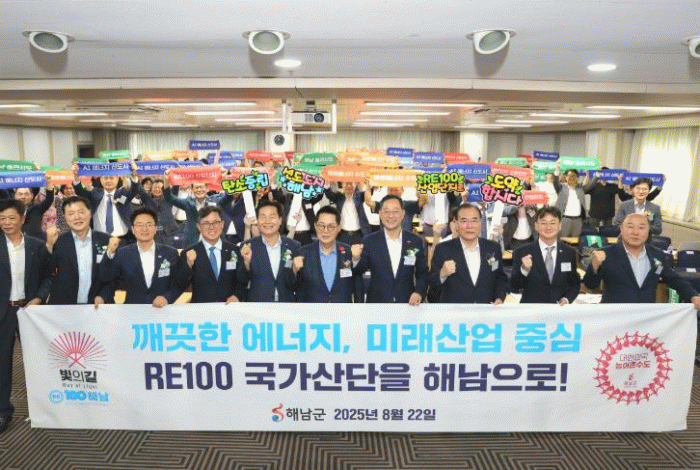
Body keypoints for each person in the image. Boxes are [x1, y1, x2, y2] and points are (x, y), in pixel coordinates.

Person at [0, 199, 52, 434]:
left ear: (22, 219)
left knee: (38, 361)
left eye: (11, 218)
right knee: (3, 363)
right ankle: (3, 411)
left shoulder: (36, 246)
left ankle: (45, 409)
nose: (6, 222)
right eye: (2, 218)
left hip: (30, 311)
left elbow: (49, 276)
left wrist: (39, 297)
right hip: (4, 312)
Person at [584, 213, 700, 307]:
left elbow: (674, 279)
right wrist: (594, 266)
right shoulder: (606, 254)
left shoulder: (657, 255)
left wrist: (693, 296)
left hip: (645, 318)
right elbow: (590, 285)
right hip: (615, 318)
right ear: (621, 229)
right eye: (630, 227)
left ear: (648, 231)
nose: (635, 232)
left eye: (641, 228)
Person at [99, 207, 183, 307]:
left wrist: (166, 298)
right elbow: (107, 278)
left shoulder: (170, 253)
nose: (144, 229)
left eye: (149, 224)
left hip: (162, 310)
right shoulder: (123, 254)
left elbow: (179, 283)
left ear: (155, 228)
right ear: (133, 229)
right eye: (140, 225)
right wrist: (110, 252)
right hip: (132, 310)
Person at [352, 194, 428, 304]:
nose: (390, 216)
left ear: (403, 213)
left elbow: (422, 273)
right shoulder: (370, 241)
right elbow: (360, 269)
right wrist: (355, 259)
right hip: (377, 304)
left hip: (407, 303)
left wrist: (419, 292)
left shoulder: (415, 241)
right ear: (380, 213)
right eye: (386, 211)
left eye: (395, 211)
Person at [429, 203, 508, 304]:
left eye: (474, 221)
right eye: (464, 221)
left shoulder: (493, 248)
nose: (469, 226)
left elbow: (500, 278)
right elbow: (430, 282)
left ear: (480, 223)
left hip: (485, 310)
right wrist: (442, 274)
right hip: (454, 311)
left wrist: (499, 297)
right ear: (456, 224)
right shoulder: (443, 249)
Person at [45, 196, 115, 305]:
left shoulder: (106, 241)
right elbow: (46, 273)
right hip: (64, 306)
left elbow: (114, 276)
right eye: (71, 214)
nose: (77, 217)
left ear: (90, 213)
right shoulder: (58, 241)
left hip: (97, 306)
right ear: (65, 217)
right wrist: (49, 246)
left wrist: (103, 296)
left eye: (81, 212)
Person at [510, 207, 581, 304]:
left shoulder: (569, 252)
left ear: (560, 226)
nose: (548, 227)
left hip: (559, 310)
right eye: (543, 223)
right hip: (531, 309)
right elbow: (514, 286)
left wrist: (566, 299)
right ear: (536, 225)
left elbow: (574, 284)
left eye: (552, 223)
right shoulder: (522, 252)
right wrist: (524, 270)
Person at [175, 206, 246, 303]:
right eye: (206, 223)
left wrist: (237, 296)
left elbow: (242, 281)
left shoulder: (234, 250)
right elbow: (179, 285)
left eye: (215, 222)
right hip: (201, 309)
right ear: (199, 227)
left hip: (229, 308)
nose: (211, 227)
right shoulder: (188, 253)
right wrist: (188, 265)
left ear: (222, 224)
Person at [238, 200, 301, 302]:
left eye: (272, 217)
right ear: (257, 221)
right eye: (263, 217)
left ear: (280, 220)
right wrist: (247, 263)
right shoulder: (248, 246)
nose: (267, 221)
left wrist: (294, 270)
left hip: (286, 304)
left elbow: (299, 282)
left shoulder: (294, 246)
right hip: (258, 305)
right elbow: (241, 281)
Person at [296, 206, 361, 303]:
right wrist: (293, 270)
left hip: (342, 310)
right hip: (312, 311)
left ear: (339, 228)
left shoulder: (349, 252)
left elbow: (358, 287)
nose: (325, 230)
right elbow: (294, 287)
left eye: (331, 226)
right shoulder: (303, 253)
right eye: (321, 225)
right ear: (315, 226)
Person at [72, 162, 141, 240]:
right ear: (101, 179)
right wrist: (76, 176)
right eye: (105, 178)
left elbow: (135, 190)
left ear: (117, 179)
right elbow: (80, 191)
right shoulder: (94, 193)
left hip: (123, 239)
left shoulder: (123, 193)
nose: (108, 181)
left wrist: (134, 174)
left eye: (111, 178)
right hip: (99, 238)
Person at [138, 179, 182, 247]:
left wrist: (174, 176)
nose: (157, 189)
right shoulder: (147, 200)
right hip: (154, 236)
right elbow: (140, 190)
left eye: (160, 188)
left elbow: (175, 188)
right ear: (151, 189)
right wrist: (137, 179)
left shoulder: (169, 199)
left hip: (169, 235)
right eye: (155, 187)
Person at [14, 174, 55, 240]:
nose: (23, 197)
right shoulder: (10, 210)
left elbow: (49, 199)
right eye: (20, 194)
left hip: (37, 242)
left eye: (26, 194)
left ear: (32, 196)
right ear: (15, 196)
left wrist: (49, 182)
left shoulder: (37, 209)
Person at [553, 168, 587, 237]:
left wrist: (598, 172)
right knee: (563, 240)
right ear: (566, 177)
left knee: (575, 241)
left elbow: (592, 184)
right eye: (569, 176)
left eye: (574, 176)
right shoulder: (561, 188)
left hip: (578, 221)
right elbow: (555, 182)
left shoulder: (580, 188)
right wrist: (557, 171)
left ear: (577, 178)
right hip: (565, 220)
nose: (571, 178)